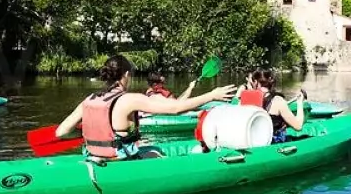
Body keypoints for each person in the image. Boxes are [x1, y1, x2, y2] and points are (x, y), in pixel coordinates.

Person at [56, 55, 236, 160]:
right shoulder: (129, 99)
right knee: (160, 156)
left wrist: (90, 132)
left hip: (94, 157)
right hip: (120, 161)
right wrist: (211, 95)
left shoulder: (90, 99)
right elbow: (175, 109)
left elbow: (61, 132)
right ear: (126, 75)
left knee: (154, 150)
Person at [248, 68, 306, 144]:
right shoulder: (278, 101)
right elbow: (298, 126)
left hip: (253, 142)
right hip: (273, 144)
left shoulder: (247, 99)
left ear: (255, 82)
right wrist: (299, 103)